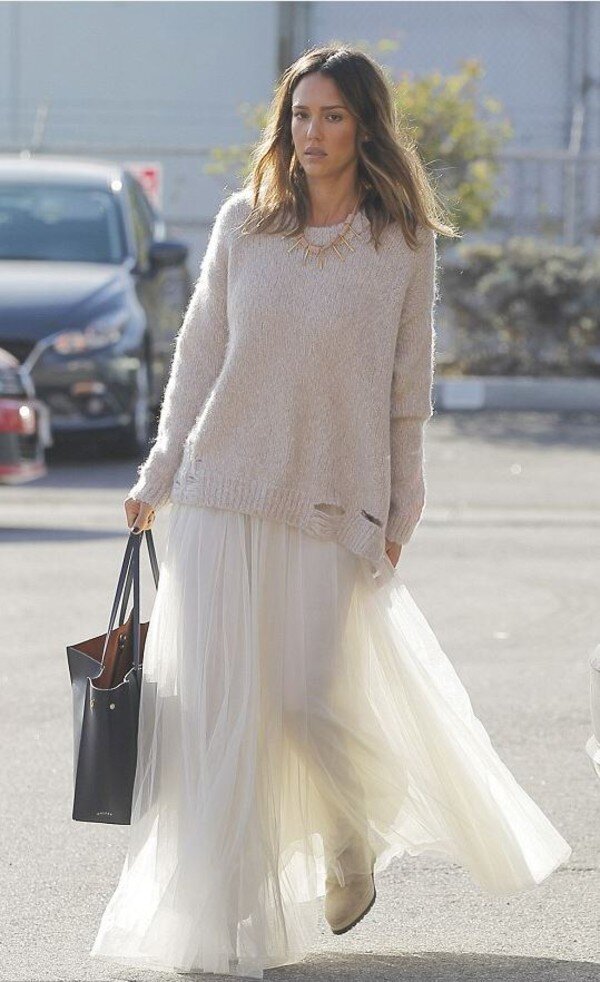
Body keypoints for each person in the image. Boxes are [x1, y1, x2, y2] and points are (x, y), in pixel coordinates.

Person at [89, 44, 571, 980]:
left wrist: (406, 493)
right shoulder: (245, 223)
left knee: (309, 699)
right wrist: (158, 470)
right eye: (301, 115)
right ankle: (219, 927)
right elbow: (197, 359)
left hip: (332, 501)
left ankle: (349, 839)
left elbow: (407, 385)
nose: (312, 133)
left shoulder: (401, 238)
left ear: (365, 126)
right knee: (222, 717)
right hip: (222, 491)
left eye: (333, 116)